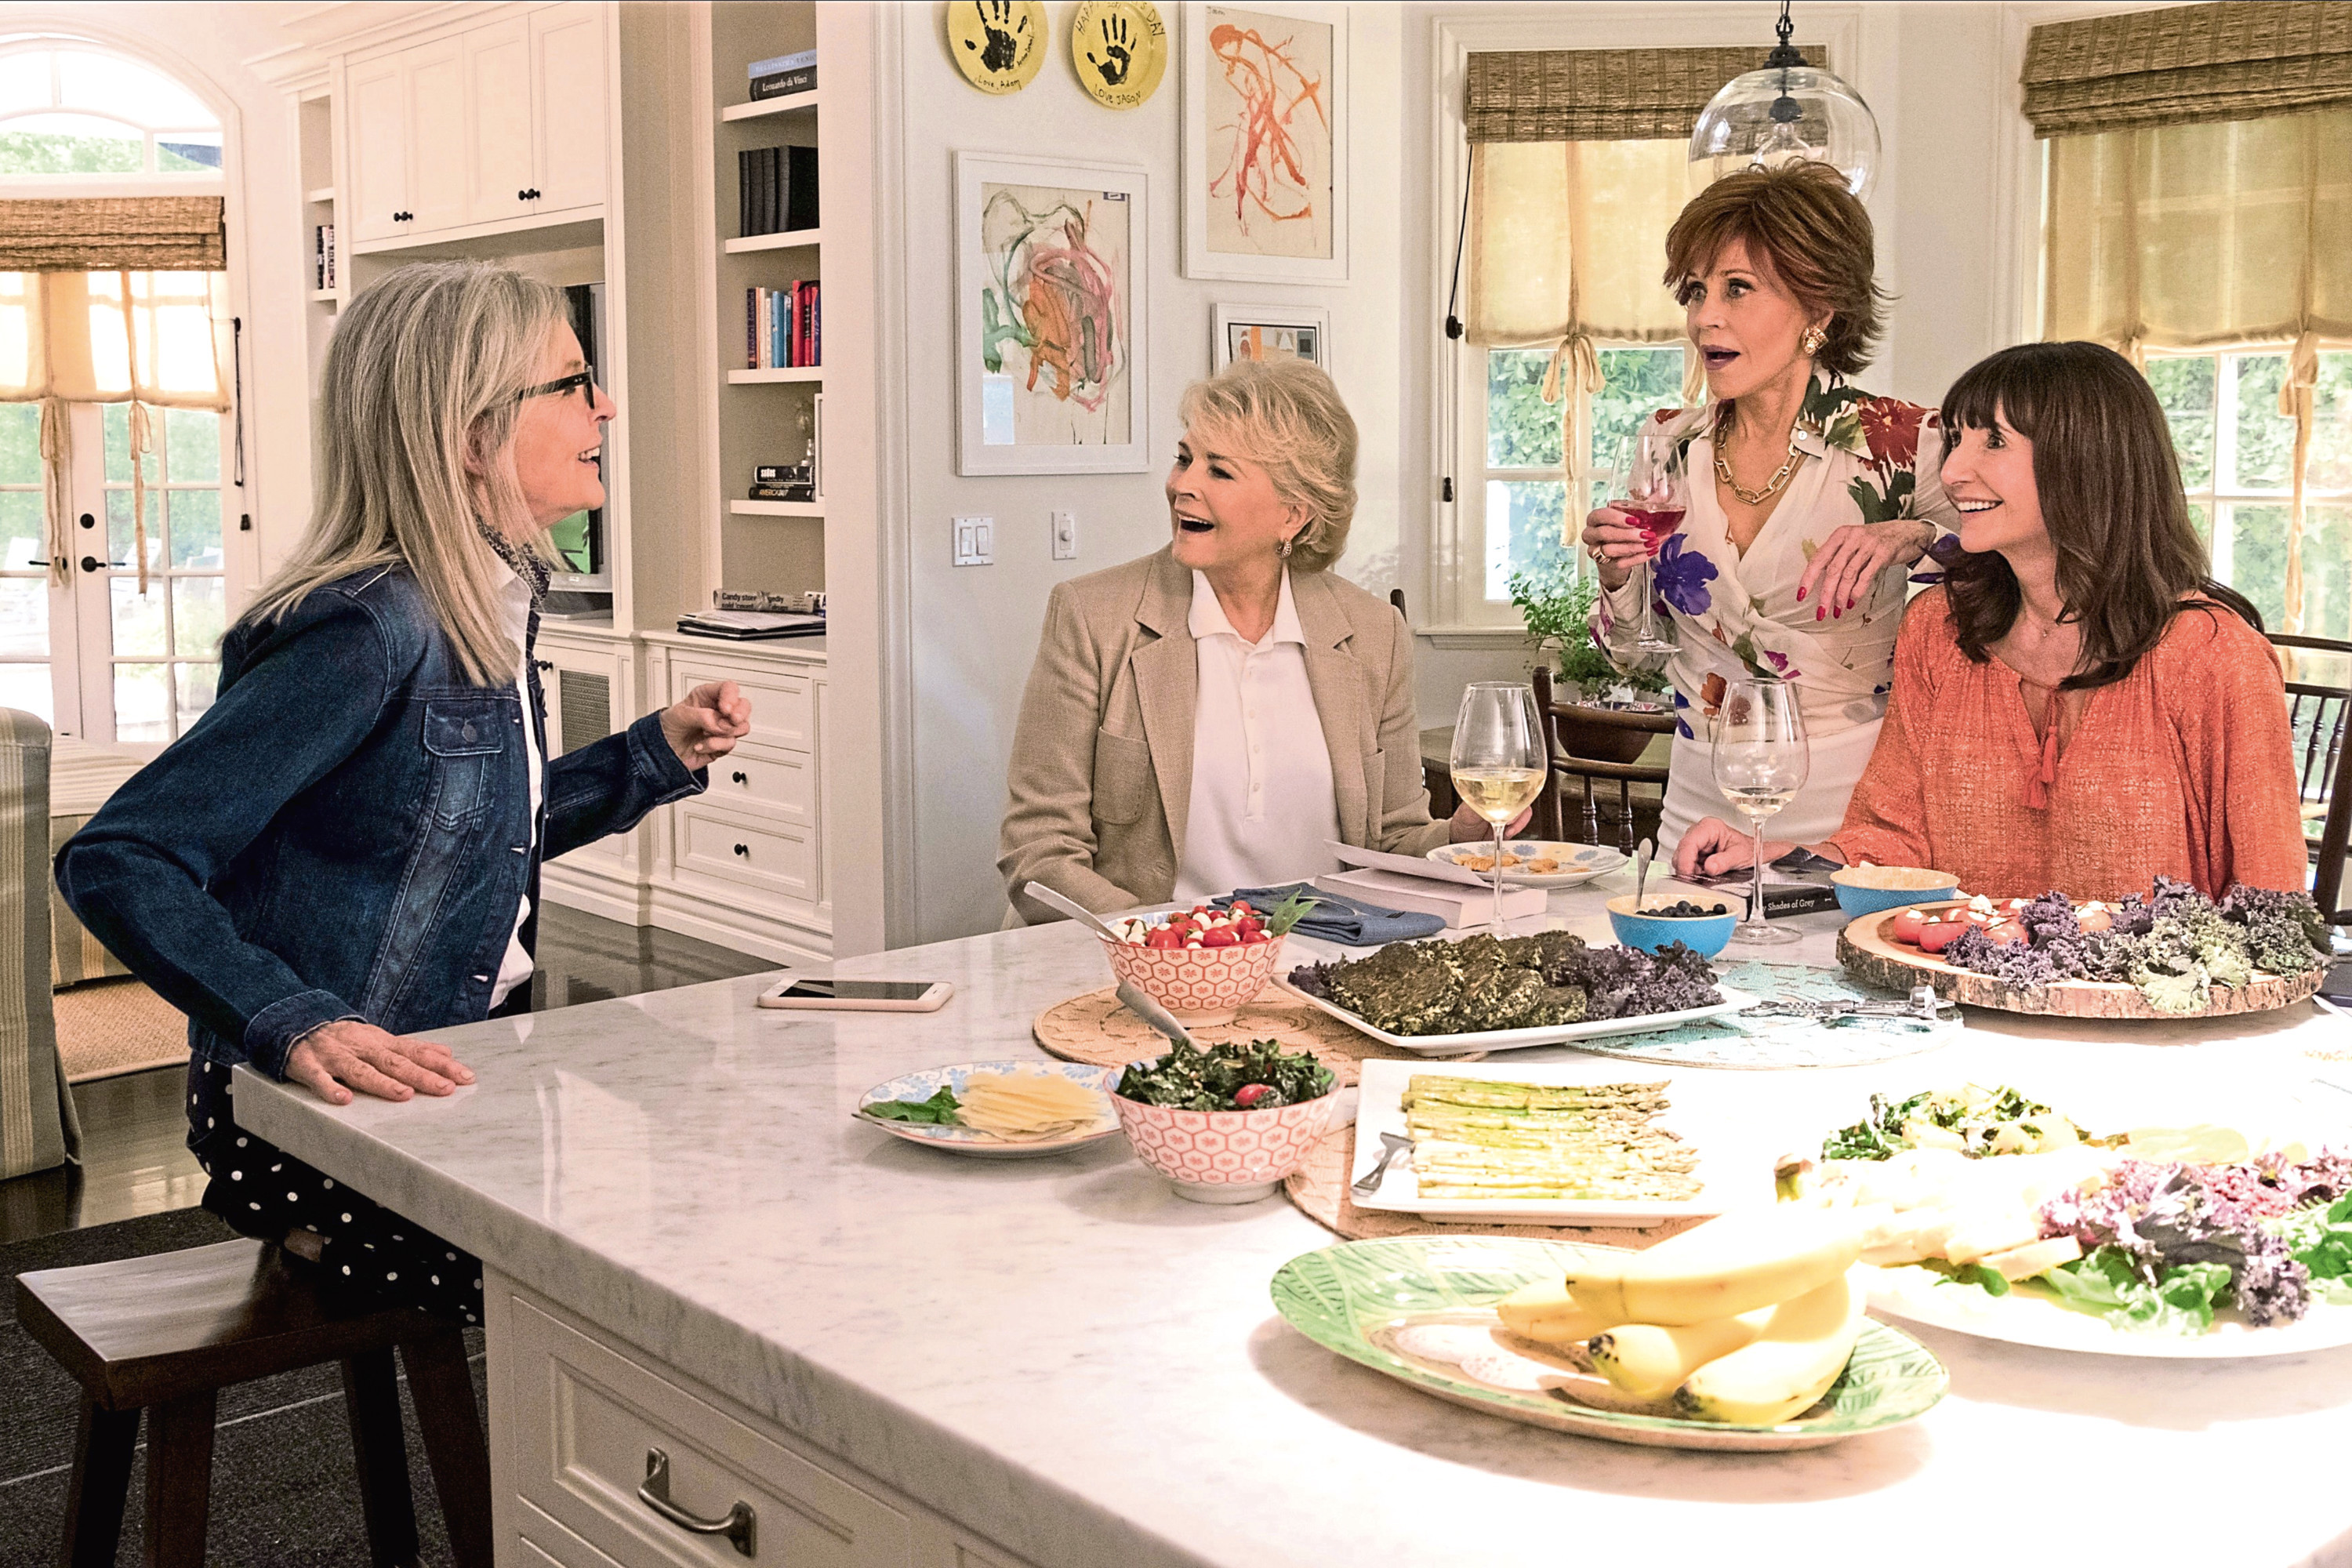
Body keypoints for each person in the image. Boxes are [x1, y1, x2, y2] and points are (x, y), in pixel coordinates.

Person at [55, 261, 752, 1324]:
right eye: (571, 383)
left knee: (705, 1226)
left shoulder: (485, 600)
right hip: (323, 1125)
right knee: (660, 1291)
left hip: (468, 1069)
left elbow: (460, 840)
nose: (603, 404)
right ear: (472, 435)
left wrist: (653, 753)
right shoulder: (370, 628)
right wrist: (292, 1022)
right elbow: (120, 858)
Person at [1674, 340, 2308, 901]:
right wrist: (1782, 862)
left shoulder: (2213, 655)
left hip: (2150, 1026)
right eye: (1956, 439)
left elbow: (2271, 902)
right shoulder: (1940, 631)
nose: (1952, 472)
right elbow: (1895, 842)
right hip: (1959, 1003)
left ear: (2085, 461)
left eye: (1993, 441)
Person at [1000, 358, 1516, 922]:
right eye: (1184, 459)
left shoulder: (1372, 634)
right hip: (1154, 968)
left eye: (1218, 472)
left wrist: (1458, 838)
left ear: (1292, 516)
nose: (1181, 486)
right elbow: (1040, 851)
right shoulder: (1094, 617)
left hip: (1326, 961)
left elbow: (1392, 842)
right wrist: (1169, 941)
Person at [1580, 161, 1960, 854]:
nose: (1704, 317)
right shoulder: (1668, 442)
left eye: (1737, 289)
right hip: (1695, 812)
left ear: (1818, 310)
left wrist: (1916, 535)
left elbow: (2008, 582)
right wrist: (1614, 579)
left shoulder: (1904, 443)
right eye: (1696, 291)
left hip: (1853, 818)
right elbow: (1631, 659)